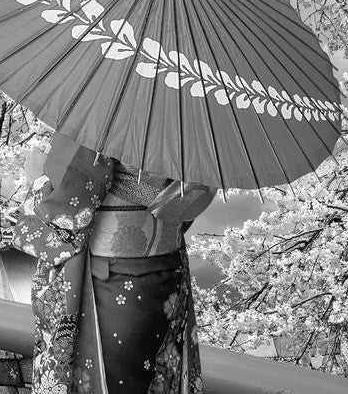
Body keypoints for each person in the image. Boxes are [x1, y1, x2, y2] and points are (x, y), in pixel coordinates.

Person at [12, 132, 213, 394]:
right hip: (167, 274)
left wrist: (36, 177)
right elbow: (185, 208)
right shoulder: (189, 119)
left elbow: (67, 203)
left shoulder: (109, 115)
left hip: (113, 277)